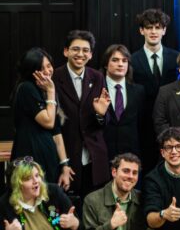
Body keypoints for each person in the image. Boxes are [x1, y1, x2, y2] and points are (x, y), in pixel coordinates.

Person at [53, 30, 110, 196]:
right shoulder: (55, 77)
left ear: (91, 54)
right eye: (75, 49)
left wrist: (100, 114)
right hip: (67, 155)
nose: (80, 54)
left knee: (95, 209)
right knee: (68, 210)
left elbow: (103, 121)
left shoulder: (97, 77)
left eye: (85, 50)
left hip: (95, 157)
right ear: (66, 51)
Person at [12, 48, 75, 188]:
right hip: (31, 158)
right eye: (41, 69)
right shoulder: (26, 88)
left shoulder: (45, 90)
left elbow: (57, 132)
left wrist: (65, 166)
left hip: (49, 158)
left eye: (49, 66)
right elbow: (48, 122)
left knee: (50, 204)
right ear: (31, 71)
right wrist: (51, 92)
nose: (47, 71)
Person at [130, 9, 179, 171]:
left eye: (157, 27)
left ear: (164, 30)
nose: (153, 31)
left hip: (171, 123)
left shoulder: (177, 57)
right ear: (141, 30)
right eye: (149, 27)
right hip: (142, 126)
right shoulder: (131, 60)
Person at [0, 158, 78, 230]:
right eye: (28, 178)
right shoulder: (5, 205)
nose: (36, 181)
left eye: (37, 175)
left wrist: (75, 224)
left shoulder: (53, 192)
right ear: (17, 185)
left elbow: (80, 225)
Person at [99, 45, 144, 159]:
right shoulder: (96, 90)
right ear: (105, 64)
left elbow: (143, 126)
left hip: (132, 156)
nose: (121, 64)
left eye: (125, 61)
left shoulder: (139, 91)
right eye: (115, 60)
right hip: (102, 155)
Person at [82, 153, 144, 230]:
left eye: (134, 173)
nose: (130, 176)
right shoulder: (92, 200)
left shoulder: (142, 199)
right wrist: (111, 225)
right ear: (114, 172)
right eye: (126, 171)